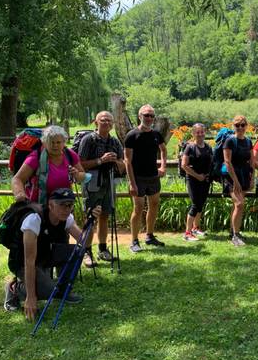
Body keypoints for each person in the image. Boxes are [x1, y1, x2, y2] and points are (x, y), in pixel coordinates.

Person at [3, 188, 101, 320]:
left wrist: (90, 223)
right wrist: (31, 297)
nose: (66, 209)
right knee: (48, 291)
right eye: (62, 205)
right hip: (22, 262)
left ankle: (62, 291)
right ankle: (15, 289)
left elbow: (84, 243)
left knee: (77, 251)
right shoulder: (33, 220)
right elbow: (29, 261)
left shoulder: (67, 218)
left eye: (70, 205)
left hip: (44, 255)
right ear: (50, 205)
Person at [77, 111, 126, 267]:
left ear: (112, 124)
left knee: (105, 215)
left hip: (109, 182)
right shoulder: (88, 140)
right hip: (91, 183)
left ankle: (103, 249)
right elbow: (80, 164)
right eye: (103, 120)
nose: (106, 123)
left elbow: (123, 165)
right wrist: (101, 160)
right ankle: (86, 252)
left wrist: (117, 162)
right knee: (90, 217)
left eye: (109, 120)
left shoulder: (115, 142)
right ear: (95, 122)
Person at [124, 104, 167, 252]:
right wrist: (131, 183)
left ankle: (149, 236)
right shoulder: (132, 135)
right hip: (138, 178)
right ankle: (134, 241)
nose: (149, 118)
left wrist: (163, 166)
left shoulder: (156, 134)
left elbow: (163, 150)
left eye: (151, 116)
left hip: (153, 176)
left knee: (154, 205)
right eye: (146, 115)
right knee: (138, 208)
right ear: (139, 116)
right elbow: (127, 161)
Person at [11, 125, 86, 204]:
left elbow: (83, 176)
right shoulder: (35, 157)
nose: (55, 145)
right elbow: (17, 179)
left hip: (64, 205)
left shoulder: (70, 154)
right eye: (51, 142)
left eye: (58, 142)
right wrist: (20, 194)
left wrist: (77, 175)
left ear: (64, 142)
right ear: (44, 142)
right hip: (39, 207)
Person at [223, 115, 253, 246]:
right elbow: (227, 162)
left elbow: (252, 160)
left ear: (246, 126)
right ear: (233, 126)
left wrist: (252, 178)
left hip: (244, 175)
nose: (240, 127)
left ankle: (234, 232)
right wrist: (235, 181)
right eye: (237, 125)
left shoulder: (248, 141)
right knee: (239, 204)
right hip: (231, 176)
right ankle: (235, 236)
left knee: (238, 205)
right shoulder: (229, 141)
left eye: (242, 125)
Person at [181, 123, 213, 241]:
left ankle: (195, 228)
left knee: (200, 204)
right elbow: (184, 165)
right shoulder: (189, 147)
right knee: (195, 205)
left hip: (205, 180)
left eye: (202, 132)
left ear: (205, 132)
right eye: (197, 132)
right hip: (193, 180)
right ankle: (187, 233)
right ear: (193, 133)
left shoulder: (208, 147)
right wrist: (197, 176)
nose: (200, 134)